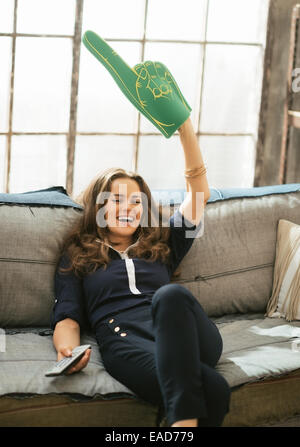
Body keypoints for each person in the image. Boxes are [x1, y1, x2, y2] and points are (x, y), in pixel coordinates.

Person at [50, 117, 231, 427]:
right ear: (98, 207)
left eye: (136, 201)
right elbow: (67, 316)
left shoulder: (163, 243)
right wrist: (66, 351)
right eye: (116, 200)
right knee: (215, 389)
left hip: (185, 333)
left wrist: (184, 128)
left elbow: (199, 193)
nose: (127, 208)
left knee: (171, 295)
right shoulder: (77, 255)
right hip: (126, 340)